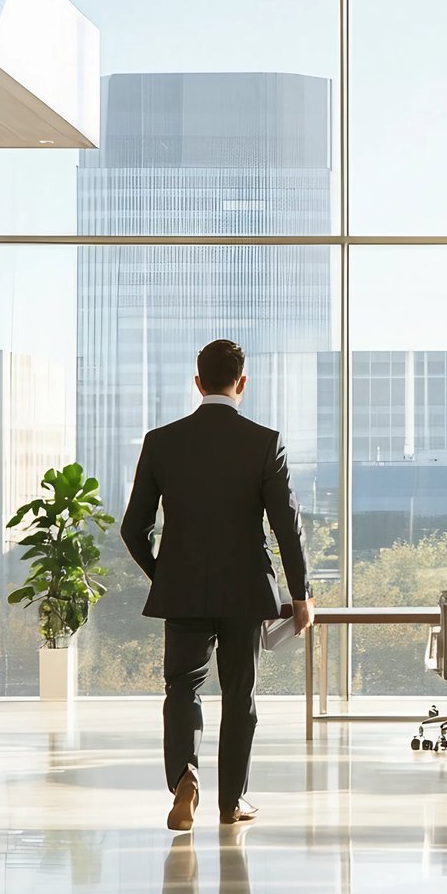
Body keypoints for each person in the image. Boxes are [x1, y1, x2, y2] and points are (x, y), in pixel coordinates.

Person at [122, 339, 314, 830]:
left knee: (181, 688)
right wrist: (301, 594)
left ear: (197, 382)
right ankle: (232, 803)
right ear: (241, 384)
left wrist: (165, 572)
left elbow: (133, 528)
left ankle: (185, 777)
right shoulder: (263, 442)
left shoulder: (161, 441)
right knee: (239, 694)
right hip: (245, 591)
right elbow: (286, 525)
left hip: (182, 590)